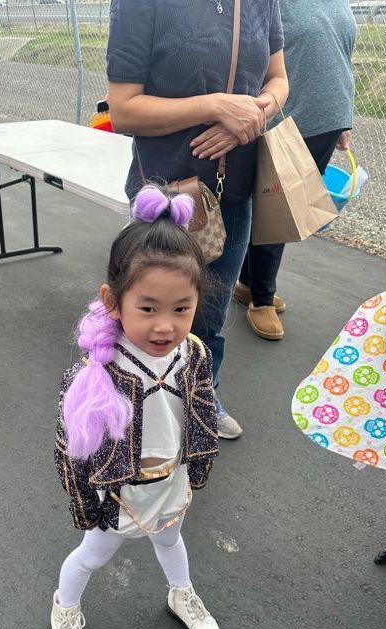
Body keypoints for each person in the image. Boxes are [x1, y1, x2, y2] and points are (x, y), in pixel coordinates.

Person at [51, 185, 221, 629]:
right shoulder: (97, 375)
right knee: (93, 555)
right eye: (147, 308)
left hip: (171, 482)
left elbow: (203, 412)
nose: (165, 326)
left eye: (181, 309)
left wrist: (198, 469)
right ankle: (64, 607)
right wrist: (87, 503)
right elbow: (72, 450)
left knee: (171, 541)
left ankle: (181, 594)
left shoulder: (195, 355)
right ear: (113, 301)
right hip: (119, 493)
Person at [107, 0, 288, 439]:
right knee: (150, 312)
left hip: (234, 193)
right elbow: (124, 109)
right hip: (166, 195)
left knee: (209, 314)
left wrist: (250, 117)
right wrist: (213, 106)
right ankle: (134, 405)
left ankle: (203, 397)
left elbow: (278, 80)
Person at [233, 0, 357, 341]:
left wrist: (344, 119)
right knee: (278, 213)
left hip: (328, 120)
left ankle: (248, 284)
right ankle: (260, 299)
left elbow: (339, 55)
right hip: (288, 123)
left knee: (288, 211)